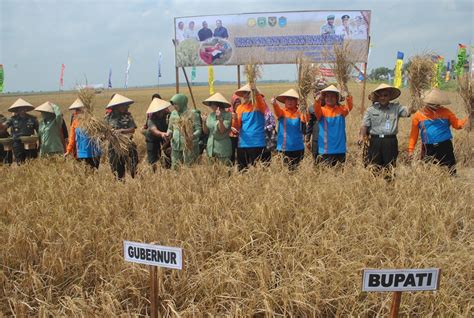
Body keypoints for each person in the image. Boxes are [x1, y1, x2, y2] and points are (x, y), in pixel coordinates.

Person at [408, 88, 467, 175]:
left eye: (436, 104)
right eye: (432, 104)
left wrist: (468, 119)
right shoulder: (418, 115)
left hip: (445, 146)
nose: (435, 107)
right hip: (428, 147)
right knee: (428, 171)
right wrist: (410, 150)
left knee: (450, 170)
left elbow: (457, 125)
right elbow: (414, 135)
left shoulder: (446, 112)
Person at [358, 84, 412, 175]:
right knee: (374, 167)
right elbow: (364, 125)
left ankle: (389, 187)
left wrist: (415, 98)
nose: (383, 98)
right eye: (381, 96)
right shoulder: (371, 110)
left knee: (390, 168)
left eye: (385, 95)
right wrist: (361, 137)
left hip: (390, 141)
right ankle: (375, 186)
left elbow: (409, 112)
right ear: (377, 97)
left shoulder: (396, 108)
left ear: (390, 96)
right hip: (375, 141)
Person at [313, 85, 353, 166]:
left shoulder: (341, 110)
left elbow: (349, 106)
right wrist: (317, 100)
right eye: (327, 96)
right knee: (326, 175)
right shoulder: (322, 111)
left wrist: (347, 95)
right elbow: (316, 109)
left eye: (332, 96)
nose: (330, 98)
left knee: (339, 175)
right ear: (324, 98)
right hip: (325, 150)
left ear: (337, 98)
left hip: (340, 149)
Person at [232, 83, 269, 170]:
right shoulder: (240, 108)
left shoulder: (259, 106)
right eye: (244, 93)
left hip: (259, 143)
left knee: (261, 171)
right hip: (244, 143)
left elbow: (261, 104)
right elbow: (237, 126)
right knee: (243, 171)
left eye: (248, 93)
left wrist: (255, 91)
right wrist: (235, 120)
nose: (246, 95)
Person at [271, 89, 307, 170]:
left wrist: (304, 110)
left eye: (292, 99)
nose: (290, 101)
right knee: (285, 170)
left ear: (296, 102)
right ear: (285, 101)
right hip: (284, 148)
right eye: (288, 99)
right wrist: (274, 104)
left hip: (298, 147)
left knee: (296, 170)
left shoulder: (300, 113)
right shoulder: (282, 112)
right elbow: (277, 111)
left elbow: (305, 123)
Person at [104, 94, 138, 179]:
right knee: (117, 171)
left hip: (128, 144)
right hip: (114, 147)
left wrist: (122, 131)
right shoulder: (107, 118)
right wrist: (110, 134)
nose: (125, 107)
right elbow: (104, 132)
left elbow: (132, 129)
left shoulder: (128, 116)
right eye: (123, 105)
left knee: (133, 167)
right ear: (116, 106)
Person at [167, 94, 202, 168]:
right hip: (176, 145)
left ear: (181, 103)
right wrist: (168, 134)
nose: (174, 106)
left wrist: (192, 136)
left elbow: (199, 130)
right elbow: (170, 128)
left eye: (176, 104)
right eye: (173, 104)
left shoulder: (192, 114)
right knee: (175, 167)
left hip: (189, 146)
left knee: (189, 167)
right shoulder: (173, 114)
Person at [65, 98, 101, 169]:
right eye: (76, 110)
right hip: (82, 153)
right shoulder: (75, 123)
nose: (76, 112)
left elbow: (100, 135)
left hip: (94, 153)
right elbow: (72, 138)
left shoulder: (93, 121)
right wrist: (68, 150)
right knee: (86, 174)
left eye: (78, 110)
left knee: (93, 173)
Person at [0, 98, 39, 164]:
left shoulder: (32, 119)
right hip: (17, 143)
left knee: (32, 161)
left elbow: (39, 131)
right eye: (20, 109)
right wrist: (1, 124)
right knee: (20, 162)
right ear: (17, 110)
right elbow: (4, 127)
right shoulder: (12, 119)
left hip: (30, 142)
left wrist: (40, 143)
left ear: (26, 109)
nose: (22, 110)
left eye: (24, 108)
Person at [202, 93, 232, 165]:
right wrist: (204, 121)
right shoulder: (210, 115)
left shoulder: (227, 115)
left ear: (218, 105)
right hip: (211, 148)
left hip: (222, 148)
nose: (210, 106)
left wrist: (220, 119)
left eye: (212, 104)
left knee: (223, 170)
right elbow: (206, 132)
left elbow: (222, 130)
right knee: (212, 172)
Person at [144, 94, 172, 172]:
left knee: (168, 153)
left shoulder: (168, 115)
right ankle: (154, 172)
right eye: (157, 111)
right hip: (152, 138)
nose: (159, 112)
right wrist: (161, 134)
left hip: (166, 137)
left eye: (161, 110)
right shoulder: (151, 118)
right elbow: (153, 129)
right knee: (153, 157)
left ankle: (167, 170)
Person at [227, 94, 241, 164]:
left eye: (239, 101)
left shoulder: (242, 110)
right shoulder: (229, 111)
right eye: (236, 102)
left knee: (240, 154)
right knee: (231, 153)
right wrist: (231, 128)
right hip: (231, 136)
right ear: (233, 103)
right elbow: (226, 123)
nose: (238, 103)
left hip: (240, 135)